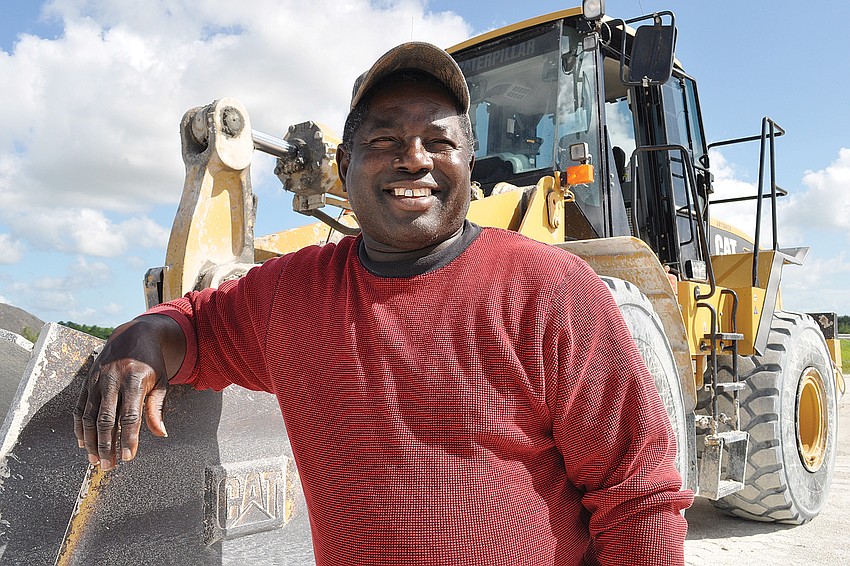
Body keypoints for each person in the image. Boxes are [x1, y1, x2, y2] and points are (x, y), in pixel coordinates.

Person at [75, 41, 693, 565]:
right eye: (386, 138)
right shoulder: (293, 294)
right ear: (345, 164)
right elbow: (199, 326)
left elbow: (635, 492)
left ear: (468, 160)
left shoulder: (553, 291)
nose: (414, 157)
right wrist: (141, 340)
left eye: (438, 140)